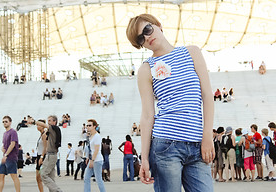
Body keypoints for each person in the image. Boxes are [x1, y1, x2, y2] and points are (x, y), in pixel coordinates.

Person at [126, 14, 214, 191]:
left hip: (197, 145)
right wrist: (144, 158)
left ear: (159, 25)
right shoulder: (146, 69)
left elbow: (207, 95)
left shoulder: (192, 52)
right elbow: (147, 115)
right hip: (165, 146)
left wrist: (207, 136)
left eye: (148, 29)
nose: (147, 37)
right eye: (141, 38)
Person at [35, 115, 63, 192]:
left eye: (50, 120)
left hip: (51, 155)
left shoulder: (54, 128)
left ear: (54, 122)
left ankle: (58, 190)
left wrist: (34, 121)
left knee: (43, 175)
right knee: (51, 176)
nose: (48, 122)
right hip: (50, 155)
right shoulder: (51, 131)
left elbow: (44, 125)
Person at [0, 116, 20, 192]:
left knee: (14, 176)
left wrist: (6, 155)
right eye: (3, 122)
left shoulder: (13, 132)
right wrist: (2, 148)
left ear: (10, 122)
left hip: (11, 157)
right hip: (5, 158)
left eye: (6, 121)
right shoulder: (5, 133)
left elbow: (13, 144)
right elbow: (4, 145)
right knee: (0, 177)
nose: (4, 123)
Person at [84, 119, 106, 192]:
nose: (88, 127)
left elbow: (96, 150)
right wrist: (88, 158)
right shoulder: (91, 136)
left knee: (98, 179)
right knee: (86, 178)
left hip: (97, 160)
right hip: (92, 159)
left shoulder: (97, 136)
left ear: (94, 126)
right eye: (87, 125)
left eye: (90, 125)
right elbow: (91, 149)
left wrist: (92, 161)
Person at [36, 119, 47, 192]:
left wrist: (42, 157)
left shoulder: (44, 134)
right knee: (38, 178)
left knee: (41, 177)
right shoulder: (41, 135)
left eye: (39, 125)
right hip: (39, 156)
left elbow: (45, 147)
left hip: (43, 157)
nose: (37, 126)